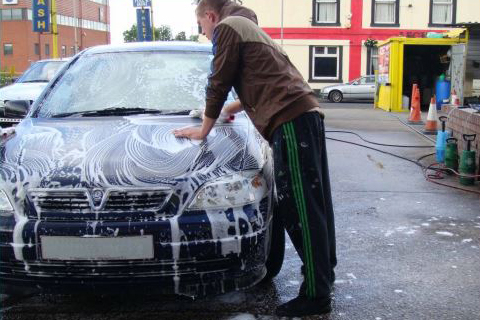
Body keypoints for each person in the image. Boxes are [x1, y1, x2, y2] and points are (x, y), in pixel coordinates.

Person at [173, 0, 336, 316]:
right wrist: (227, 111)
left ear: (210, 16)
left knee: (299, 207)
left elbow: (218, 81)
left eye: (201, 27)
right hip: (304, 114)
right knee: (315, 203)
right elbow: (258, 80)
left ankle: (316, 295)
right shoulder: (248, 26)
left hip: (289, 118)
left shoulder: (227, 28)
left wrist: (203, 129)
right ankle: (323, 271)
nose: (205, 34)